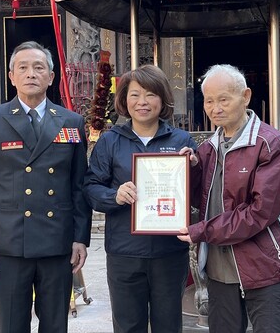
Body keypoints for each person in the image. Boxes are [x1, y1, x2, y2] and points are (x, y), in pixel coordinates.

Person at [0, 41, 92, 333]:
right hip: (8, 245)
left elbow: (78, 186)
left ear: (51, 76)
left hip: (56, 244)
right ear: (11, 76)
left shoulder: (71, 122)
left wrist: (80, 238)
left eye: (38, 67)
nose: (30, 74)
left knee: (55, 325)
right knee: (11, 326)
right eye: (22, 68)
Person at [177, 64, 280, 333]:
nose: (215, 108)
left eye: (224, 99)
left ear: (245, 96)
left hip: (266, 267)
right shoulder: (207, 149)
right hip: (219, 269)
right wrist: (188, 170)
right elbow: (192, 199)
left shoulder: (269, 143)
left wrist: (202, 231)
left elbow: (260, 212)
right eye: (209, 101)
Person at [84, 64, 198, 333]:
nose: (142, 102)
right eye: (135, 95)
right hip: (125, 251)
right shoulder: (110, 141)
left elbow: (199, 194)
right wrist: (116, 195)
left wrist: (195, 169)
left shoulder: (182, 140)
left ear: (163, 98)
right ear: (124, 100)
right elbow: (90, 187)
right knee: (127, 325)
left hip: (169, 252)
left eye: (150, 94)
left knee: (169, 324)